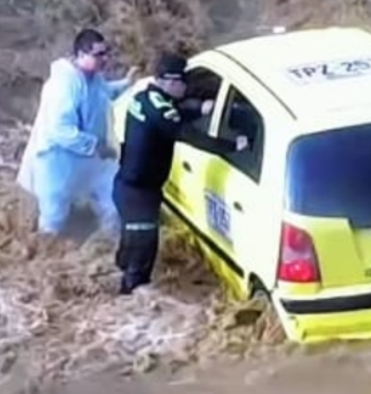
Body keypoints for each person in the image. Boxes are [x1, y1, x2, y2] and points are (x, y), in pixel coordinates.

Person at [112, 53, 249, 295]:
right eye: (184, 83)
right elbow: (189, 135)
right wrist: (233, 146)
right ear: (171, 82)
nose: (187, 88)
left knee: (132, 243)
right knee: (142, 250)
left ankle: (119, 279)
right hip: (140, 192)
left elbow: (170, 112)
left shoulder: (144, 97)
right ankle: (128, 296)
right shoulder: (163, 112)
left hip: (129, 186)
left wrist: (200, 109)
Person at [17, 28, 137, 237]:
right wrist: (97, 146)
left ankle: (108, 248)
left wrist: (126, 83)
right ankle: (45, 256)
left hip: (90, 159)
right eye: (99, 54)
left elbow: (104, 93)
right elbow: (60, 130)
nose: (105, 59)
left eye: (106, 53)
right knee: (54, 218)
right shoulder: (64, 85)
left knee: (112, 202)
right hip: (58, 162)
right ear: (81, 55)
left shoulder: (93, 77)